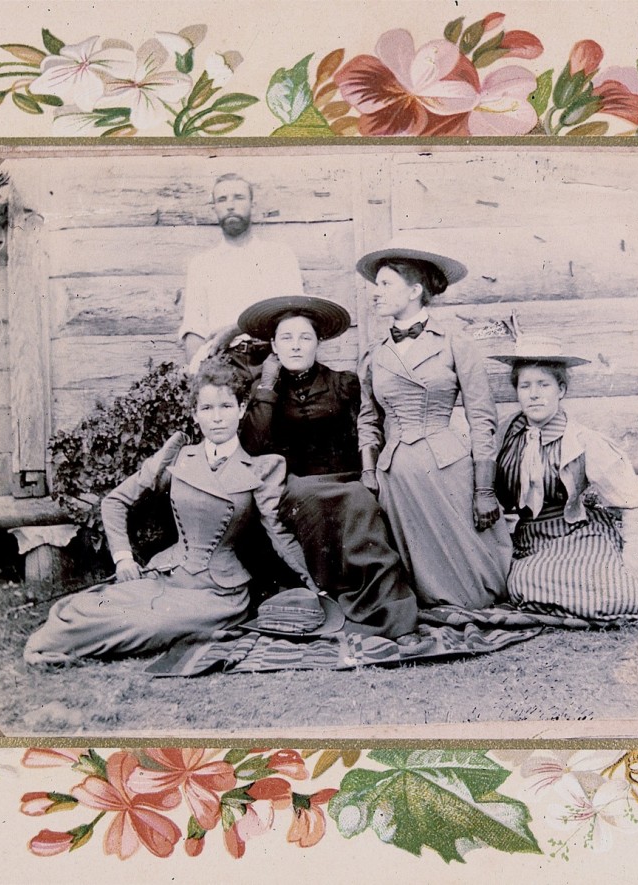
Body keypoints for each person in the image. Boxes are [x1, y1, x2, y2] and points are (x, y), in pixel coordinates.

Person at [24, 360, 319, 663]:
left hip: (218, 594)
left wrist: (318, 589)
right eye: (206, 409)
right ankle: (51, 644)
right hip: (167, 578)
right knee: (80, 610)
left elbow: (280, 537)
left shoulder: (261, 469)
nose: (217, 418)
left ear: (241, 409)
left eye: (226, 407)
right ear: (195, 414)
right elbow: (115, 501)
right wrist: (123, 558)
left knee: (146, 624)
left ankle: (62, 648)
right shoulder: (179, 458)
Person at [491, 335, 638, 622]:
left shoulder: (582, 441)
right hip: (532, 541)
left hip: (579, 535)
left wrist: (634, 564)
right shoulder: (505, 437)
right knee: (523, 584)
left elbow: (634, 499)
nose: (534, 394)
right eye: (525, 386)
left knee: (610, 594)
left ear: (561, 389)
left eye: (544, 385)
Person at [237, 295, 419, 638]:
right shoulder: (263, 390)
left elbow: (368, 430)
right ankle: (333, 599)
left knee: (361, 503)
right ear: (273, 345)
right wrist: (267, 385)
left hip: (348, 480)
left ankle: (393, 611)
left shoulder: (343, 383)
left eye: (305, 338)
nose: (296, 346)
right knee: (308, 497)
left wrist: (368, 472)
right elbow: (252, 445)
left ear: (318, 343)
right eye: (286, 339)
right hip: (297, 486)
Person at [355, 238, 511, 609]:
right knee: (421, 582)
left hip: (448, 470)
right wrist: (368, 470)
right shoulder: (375, 355)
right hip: (397, 475)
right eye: (376, 285)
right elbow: (367, 419)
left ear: (415, 290)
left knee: (476, 584)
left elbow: (482, 418)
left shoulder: (456, 343)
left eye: (385, 284)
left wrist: (484, 488)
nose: (376, 294)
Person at [178, 173, 304, 366]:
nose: (230, 205)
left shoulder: (279, 256)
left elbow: (294, 318)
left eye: (238, 197)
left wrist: (237, 329)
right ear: (214, 209)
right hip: (222, 362)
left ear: (252, 205)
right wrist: (199, 379)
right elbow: (194, 332)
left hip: (274, 358)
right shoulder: (202, 264)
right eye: (222, 199)